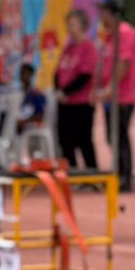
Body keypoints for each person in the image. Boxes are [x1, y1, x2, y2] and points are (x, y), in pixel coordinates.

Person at [96, 0, 135, 192]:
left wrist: (111, 87)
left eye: (103, 13)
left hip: (122, 96)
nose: (100, 17)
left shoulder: (125, 33)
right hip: (110, 97)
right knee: (111, 138)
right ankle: (117, 173)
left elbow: (124, 62)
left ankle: (124, 177)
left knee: (119, 137)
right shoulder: (110, 36)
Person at [54, 9, 98, 169]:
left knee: (84, 141)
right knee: (65, 141)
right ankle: (71, 174)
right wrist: (59, 91)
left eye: (73, 25)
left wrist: (66, 92)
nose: (70, 28)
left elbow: (85, 76)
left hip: (81, 103)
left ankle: (91, 175)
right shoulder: (68, 48)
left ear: (83, 26)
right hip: (65, 103)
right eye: (68, 25)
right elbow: (58, 73)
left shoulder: (88, 48)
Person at [17, 63, 46, 129]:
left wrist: (25, 121)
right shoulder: (19, 93)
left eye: (26, 74)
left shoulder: (36, 94)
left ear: (31, 75)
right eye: (22, 73)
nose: (23, 76)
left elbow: (40, 116)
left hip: (30, 126)